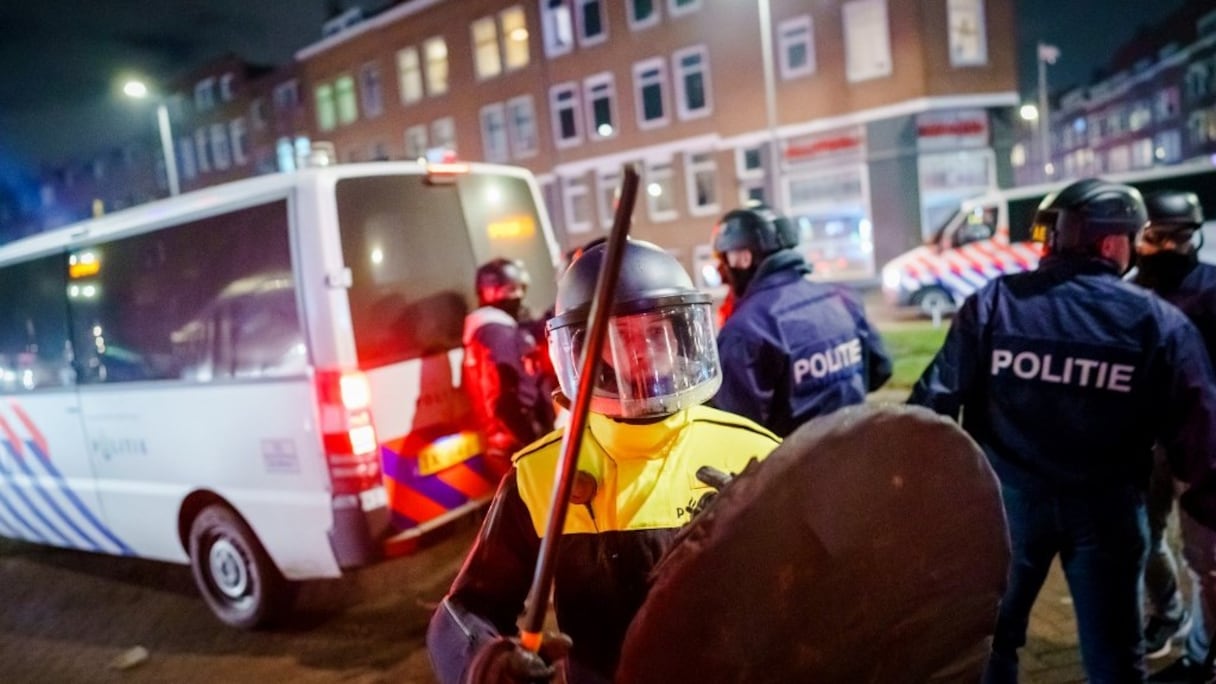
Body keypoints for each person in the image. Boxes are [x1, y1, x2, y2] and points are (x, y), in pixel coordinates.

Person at [427, 239, 782, 684]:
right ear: (582, 351)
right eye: (620, 337)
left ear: (682, 335)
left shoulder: (753, 453)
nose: (641, 353)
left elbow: (811, 597)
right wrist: (486, 663)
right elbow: (464, 610)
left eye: (655, 333)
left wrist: (753, 544)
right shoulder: (542, 474)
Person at [908, 178, 1216, 683]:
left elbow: (932, 404)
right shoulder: (1157, 322)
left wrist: (933, 504)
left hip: (1007, 509)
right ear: (1114, 243)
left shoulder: (994, 303)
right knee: (1115, 653)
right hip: (1109, 512)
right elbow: (1201, 437)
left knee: (992, 643)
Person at [710, 205, 892, 436]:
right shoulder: (842, 299)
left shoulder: (745, 330)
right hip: (857, 453)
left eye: (723, 260)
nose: (721, 272)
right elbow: (881, 369)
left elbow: (733, 430)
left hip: (793, 468)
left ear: (742, 258)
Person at [1133, 190, 1216, 681]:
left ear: (1197, 235)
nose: (1167, 248)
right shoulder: (1125, 295)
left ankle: (1202, 657)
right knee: (1139, 539)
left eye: (1179, 236)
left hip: (1204, 442)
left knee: (1206, 558)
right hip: (1143, 443)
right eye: (1155, 237)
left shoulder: (1213, 290)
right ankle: (1167, 614)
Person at [462, 258, 556, 480]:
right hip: (516, 443)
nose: (519, 297)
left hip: (510, 442)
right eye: (511, 290)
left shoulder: (495, 328)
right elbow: (504, 399)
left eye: (520, 289)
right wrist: (533, 442)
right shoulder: (496, 333)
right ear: (491, 292)